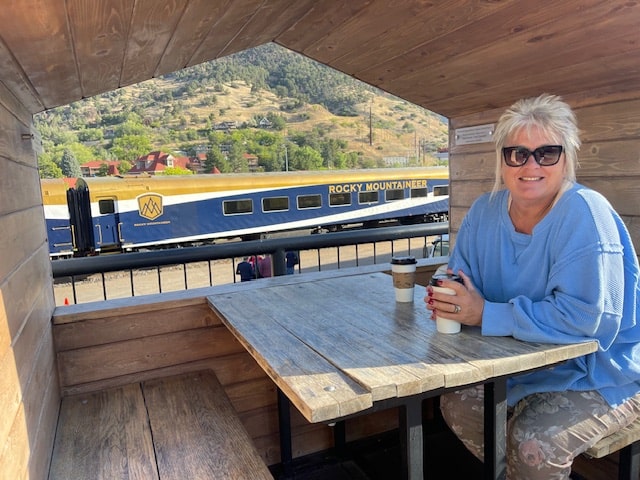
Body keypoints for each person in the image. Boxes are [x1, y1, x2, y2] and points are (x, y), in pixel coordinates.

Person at [425, 93, 640, 479]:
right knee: (457, 403)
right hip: (525, 363)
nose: (531, 165)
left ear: (566, 159)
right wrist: (451, 296)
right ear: (502, 160)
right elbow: (462, 277)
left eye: (547, 153)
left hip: (606, 369)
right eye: (518, 154)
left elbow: (585, 320)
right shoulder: (483, 211)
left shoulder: (584, 212)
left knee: (533, 441)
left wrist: (484, 313)